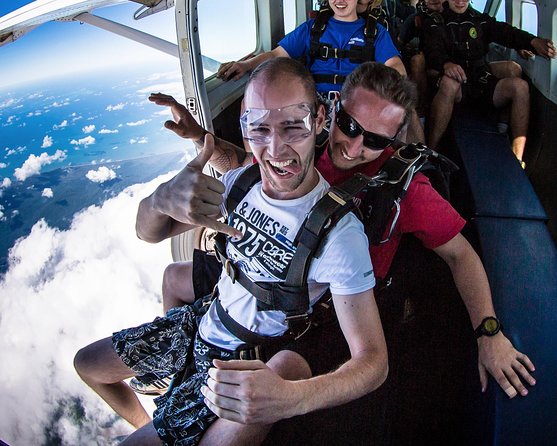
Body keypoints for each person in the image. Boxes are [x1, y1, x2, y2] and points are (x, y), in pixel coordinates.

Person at [148, 62, 536, 410]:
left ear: (393, 140)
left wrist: (489, 332)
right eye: (349, 126)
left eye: (374, 141)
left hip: (334, 306)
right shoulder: (303, 141)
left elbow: (461, 255)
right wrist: (200, 137)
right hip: (271, 265)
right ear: (331, 110)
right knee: (173, 277)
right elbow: (247, 165)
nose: (352, 148)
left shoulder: (407, 190)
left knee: (284, 368)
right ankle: (174, 368)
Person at [74, 58, 388, 446]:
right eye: (259, 129)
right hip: (202, 319)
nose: (276, 149)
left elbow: (373, 362)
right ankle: (148, 424)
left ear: (320, 119)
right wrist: (160, 200)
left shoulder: (339, 232)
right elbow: (148, 233)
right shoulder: (240, 183)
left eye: (293, 125)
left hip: (241, 357)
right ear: (245, 131)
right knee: (87, 365)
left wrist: (294, 398)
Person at [423, 0, 556, 162]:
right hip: (456, 86)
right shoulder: (435, 22)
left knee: (520, 87)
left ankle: (516, 158)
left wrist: (532, 42)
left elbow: (506, 32)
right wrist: (446, 64)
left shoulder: (479, 20)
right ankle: (431, 151)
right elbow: (432, 51)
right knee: (449, 84)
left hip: (481, 81)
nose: (459, 1)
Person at [217, 0, 405, 92]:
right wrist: (246, 65)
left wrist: (377, 92)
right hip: (313, 102)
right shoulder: (312, 28)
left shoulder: (375, 32)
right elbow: (277, 54)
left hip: (357, 102)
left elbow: (396, 66)